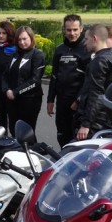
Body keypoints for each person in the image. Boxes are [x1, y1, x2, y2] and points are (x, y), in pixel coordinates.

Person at [75, 24, 112, 140]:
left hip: (97, 121)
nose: (84, 43)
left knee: (78, 153)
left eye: (86, 39)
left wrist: (86, 124)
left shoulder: (99, 61)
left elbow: (96, 94)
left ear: (94, 39)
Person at [47, 14, 92, 147]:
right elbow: (54, 75)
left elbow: (89, 81)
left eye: (75, 29)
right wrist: (50, 100)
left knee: (78, 139)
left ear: (81, 29)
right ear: (64, 30)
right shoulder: (60, 49)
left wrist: (78, 100)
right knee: (62, 135)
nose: (72, 33)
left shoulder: (87, 49)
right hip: (62, 102)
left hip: (79, 104)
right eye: (68, 30)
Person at [3, 26, 46, 135]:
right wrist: (7, 89)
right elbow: (5, 75)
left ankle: (30, 151)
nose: (22, 42)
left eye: (24, 39)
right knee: (13, 130)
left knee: (26, 133)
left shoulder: (37, 55)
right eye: (19, 40)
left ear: (31, 38)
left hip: (30, 100)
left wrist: (15, 92)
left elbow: (35, 80)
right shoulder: (14, 55)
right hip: (12, 100)